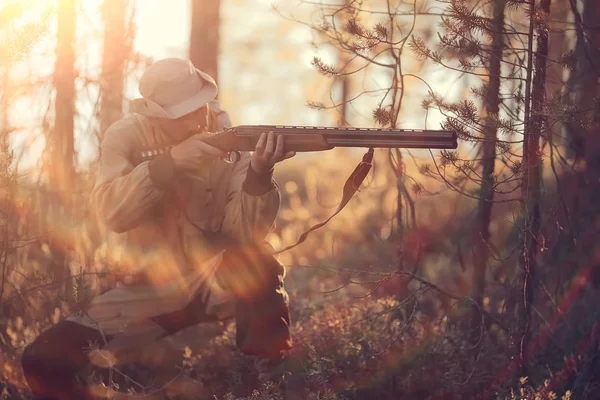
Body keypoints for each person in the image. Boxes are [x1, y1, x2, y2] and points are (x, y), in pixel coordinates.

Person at [21, 58, 296, 399]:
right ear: (154, 116)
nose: (199, 117)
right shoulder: (125, 136)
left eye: (200, 107)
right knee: (40, 360)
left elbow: (246, 234)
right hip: (146, 290)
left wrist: (259, 174)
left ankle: (271, 385)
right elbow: (112, 214)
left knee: (260, 263)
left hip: (213, 282)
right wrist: (167, 166)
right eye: (184, 113)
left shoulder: (231, 140)